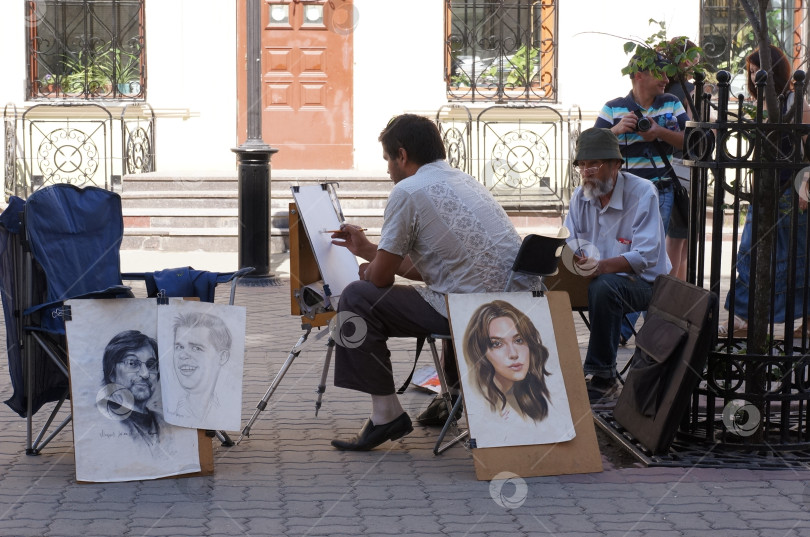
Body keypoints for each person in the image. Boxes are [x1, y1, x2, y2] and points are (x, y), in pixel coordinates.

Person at [328, 113, 533, 451]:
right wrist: (366, 248)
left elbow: (380, 278)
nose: (388, 170)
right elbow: (439, 268)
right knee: (444, 290)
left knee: (357, 298)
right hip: (520, 305)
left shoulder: (407, 191)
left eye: (387, 160)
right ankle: (449, 399)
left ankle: (386, 415)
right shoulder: (467, 181)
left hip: (475, 311)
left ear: (402, 155)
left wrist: (369, 267)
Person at [563, 128, 670, 404]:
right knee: (544, 286)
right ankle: (554, 372)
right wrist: (569, 259)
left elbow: (645, 256)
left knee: (605, 286)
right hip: (596, 281)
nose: (587, 171)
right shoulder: (580, 197)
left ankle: (604, 376)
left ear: (616, 165)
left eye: (594, 164)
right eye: (582, 165)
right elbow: (568, 241)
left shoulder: (643, 192)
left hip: (645, 284)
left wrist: (600, 267)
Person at [595, 52, 688, 343]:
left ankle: (627, 327)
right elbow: (592, 146)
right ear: (638, 75)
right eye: (659, 73)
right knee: (627, 253)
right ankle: (652, 325)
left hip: (660, 191)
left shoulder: (671, 104)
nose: (665, 79)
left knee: (645, 256)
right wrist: (616, 130)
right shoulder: (614, 108)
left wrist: (658, 131)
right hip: (624, 195)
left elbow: (690, 139)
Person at [722, 44, 810, 336]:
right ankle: (744, 316)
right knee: (751, 250)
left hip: (791, 187)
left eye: (759, 71)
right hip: (764, 189)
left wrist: (804, 189)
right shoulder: (762, 104)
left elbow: (808, 153)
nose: (754, 77)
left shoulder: (796, 103)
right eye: (750, 72)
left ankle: (804, 320)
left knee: (798, 254)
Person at [462, 300, 551, 422]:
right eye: (497, 344)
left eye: (519, 340)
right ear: (480, 352)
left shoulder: (535, 398)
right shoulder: (483, 401)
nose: (513, 354)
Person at [663, 38, 701, 281]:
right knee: (680, 237)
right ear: (685, 60)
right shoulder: (689, 90)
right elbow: (696, 132)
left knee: (679, 235)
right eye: (695, 55)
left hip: (668, 165)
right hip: (685, 167)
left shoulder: (663, 90)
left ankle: (677, 296)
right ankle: (674, 294)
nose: (698, 60)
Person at [101, 330, 162, 446]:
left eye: (151, 365)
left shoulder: (164, 423)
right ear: (111, 373)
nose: (145, 374)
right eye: (132, 363)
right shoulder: (102, 420)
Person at [172, 312, 232, 421]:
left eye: (196, 348)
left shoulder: (226, 410)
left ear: (222, 357)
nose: (182, 355)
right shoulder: (171, 412)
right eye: (179, 347)